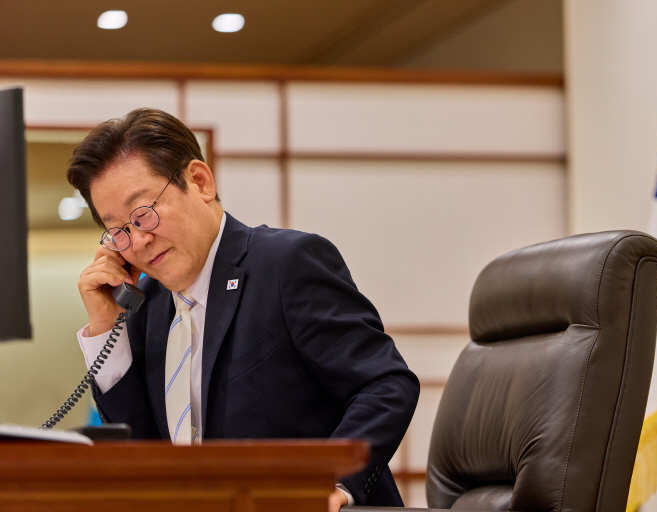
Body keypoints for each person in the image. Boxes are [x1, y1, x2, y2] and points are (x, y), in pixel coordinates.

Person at [68, 108, 420, 510]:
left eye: (143, 213)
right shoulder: (146, 306)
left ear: (199, 181)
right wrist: (106, 326)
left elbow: (385, 385)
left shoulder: (285, 263)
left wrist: (334, 483)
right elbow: (142, 453)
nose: (138, 241)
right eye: (118, 230)